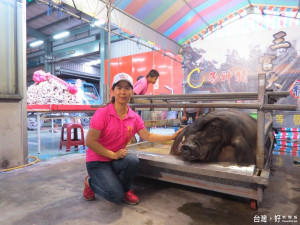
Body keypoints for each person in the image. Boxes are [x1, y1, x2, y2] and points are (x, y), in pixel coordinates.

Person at [83, 72, 182, 205]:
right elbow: (90, 142)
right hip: (98, 160)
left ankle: (124, 189)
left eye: (127, 88)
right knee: (115, 196)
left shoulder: (134, 117)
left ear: (132, 92)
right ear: (113, 91)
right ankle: (90, 182)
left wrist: (172, 137)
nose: (123, 92)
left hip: (115, 158)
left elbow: (147, 135)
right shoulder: (103, 113)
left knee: (132, 161)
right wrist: (112, 155)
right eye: (119, 88)